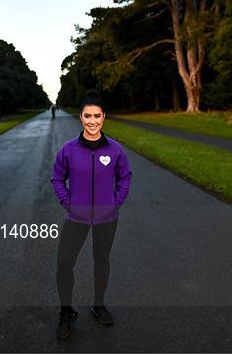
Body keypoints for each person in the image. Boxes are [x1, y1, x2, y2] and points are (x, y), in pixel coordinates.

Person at [50, 93, 132, 339]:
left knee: (101, 260)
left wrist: (116, 202)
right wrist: (68, 202)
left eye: (97, 116)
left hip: (107, 217)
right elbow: (57, 178)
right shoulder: (68, 150)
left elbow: (125, 177)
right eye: (88, 116)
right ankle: (66, 312)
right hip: (77, 217)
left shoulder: (115, 150)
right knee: (64, 262)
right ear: (81, 117)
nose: (92, 121)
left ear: (104, 117)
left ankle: (99, 305)